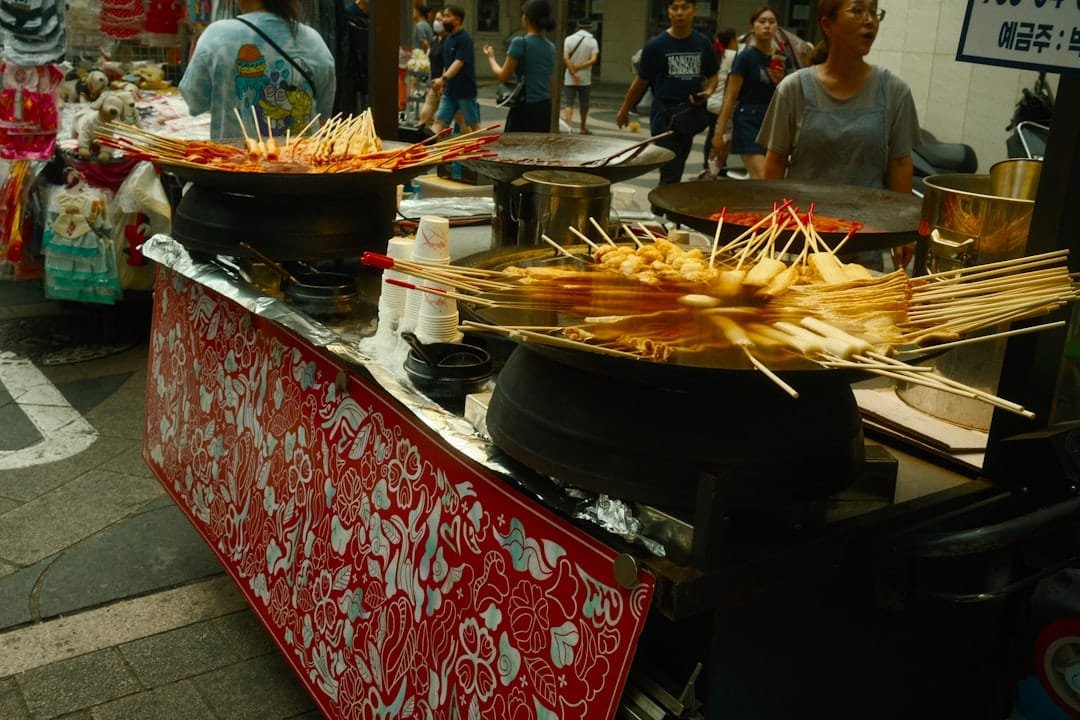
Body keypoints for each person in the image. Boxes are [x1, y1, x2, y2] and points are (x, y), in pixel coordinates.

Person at [757, 0, 919, 267]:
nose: (869, 20)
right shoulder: (794, 89)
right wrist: (771, 229)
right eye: (857, 10)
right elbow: (774, 163)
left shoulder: (893, 90)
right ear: (827, 24)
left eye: (873, 12)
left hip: (863, 244)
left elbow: (900, 164)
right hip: (800, 242)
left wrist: (903, 230)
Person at [179, 0, 335, 139]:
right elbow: (322, 116)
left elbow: (195, 101)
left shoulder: (216, 36)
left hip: (234, 160)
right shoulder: (314, 42)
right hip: (302, 161)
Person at [615, 0, 718, 187]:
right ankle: (662, 203)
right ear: (668, 12)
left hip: (689, 115)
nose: (679, 12)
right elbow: (641, 81)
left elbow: (713, 75)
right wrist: (624, 110)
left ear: (694, 10)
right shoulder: (656, 45)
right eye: (674, 8)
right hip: (664, 117)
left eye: (684, 7)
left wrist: (709, 91)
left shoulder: (702, 43)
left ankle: (662, 202)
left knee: (677, 167)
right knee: (671, 171)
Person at [709, 6, 794, 179]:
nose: (767, 26)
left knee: (774, 179)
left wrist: (780, 81)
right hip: (748, 120)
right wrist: (719, 133)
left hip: (775, 122)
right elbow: (730, 97)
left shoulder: (783, 59)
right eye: (762, 21)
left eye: (772, 22)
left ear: (777, 27)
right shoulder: (745, 57)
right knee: (762, 177)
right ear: (752, 27)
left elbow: (792, 97)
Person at [483, 0, 556, 133]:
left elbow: (503, 76)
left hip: (525, 106)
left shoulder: (520, 43)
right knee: (539, 144)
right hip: (544, 106)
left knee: (518, 143)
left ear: (528, 18)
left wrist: (491, 58)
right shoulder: (551, 47)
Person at [431, 4, 480, 134]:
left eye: (447, 16)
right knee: (439, 121)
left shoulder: (465, 39)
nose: (443, 19)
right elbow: (447, 64)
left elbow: (458, 63)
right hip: (450, 91)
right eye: (444, 16)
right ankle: (428, 145)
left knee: (473, 126)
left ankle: (481, 145)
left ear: (457, 20)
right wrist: (443, 84)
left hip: (465, 91)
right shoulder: (448, 39)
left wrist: (443, 79)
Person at [701, 26, 737, 176]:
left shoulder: (717, 53)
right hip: (723, 103)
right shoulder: (733, 55)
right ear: (732, 40)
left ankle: (709, 164)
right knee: (724, 135)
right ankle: (717, 164)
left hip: (710, 101)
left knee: (712, 134)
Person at [562, 17, 599, 135]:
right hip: (585, 78)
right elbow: (593, 60)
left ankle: (569, 128)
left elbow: (565, 58)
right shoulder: (593, 41)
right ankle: (583, 128)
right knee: (584, 103)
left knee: (568, 103)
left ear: (578, 27)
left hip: (569, 77)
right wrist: (579, 67)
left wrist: (573, 72)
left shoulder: (568, 39)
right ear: (590, 27)